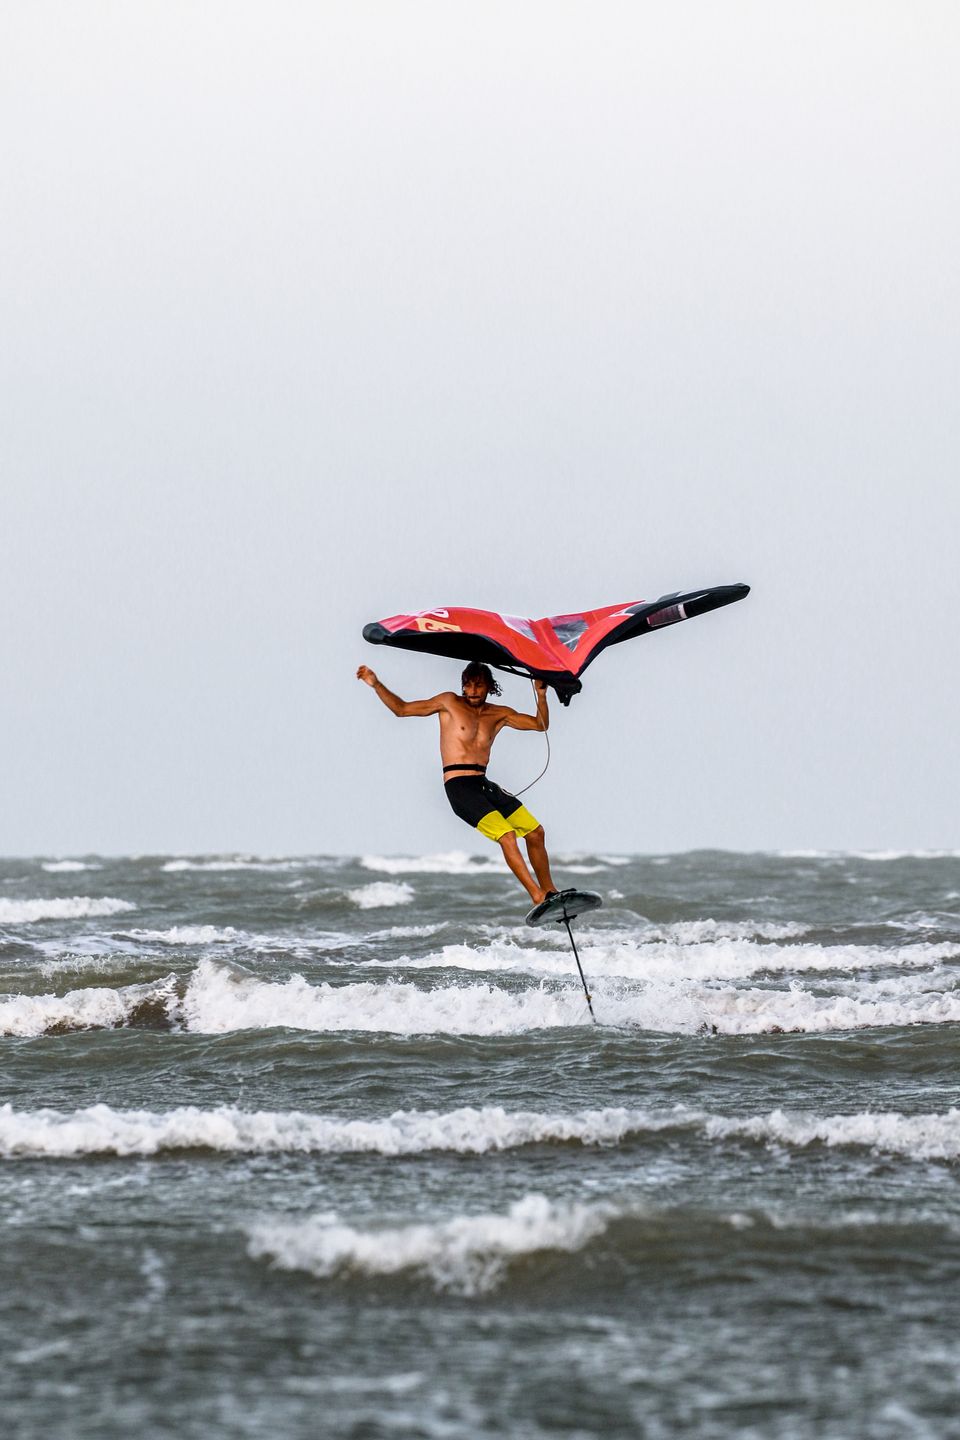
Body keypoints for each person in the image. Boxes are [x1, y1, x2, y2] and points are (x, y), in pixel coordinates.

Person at [357, 659, 560, 911]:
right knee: (507, 836)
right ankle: (537, 896)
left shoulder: (500, 714)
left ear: (489, 687)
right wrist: (376, 684)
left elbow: (540, 725)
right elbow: (402, 709)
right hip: (459, 787)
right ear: (462, 686)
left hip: (483, 784)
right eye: (468, 685)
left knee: (536, 832)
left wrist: (541, 694)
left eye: (479, 685)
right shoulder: (448, 703)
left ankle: (550, 891)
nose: (472, 691)